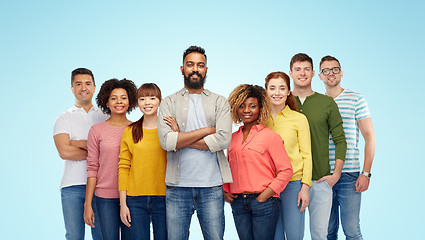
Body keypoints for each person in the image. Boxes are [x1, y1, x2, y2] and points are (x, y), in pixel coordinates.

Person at [157, 46, 233, 240]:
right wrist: (208, 131)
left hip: (212, 187)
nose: (195, 69)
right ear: (182, 69)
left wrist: (180, 137)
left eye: (200, 65)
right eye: (190, 65)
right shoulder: (168, 103)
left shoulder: (220, 102)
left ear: (206, 69)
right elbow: (167, 142)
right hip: (177, 188)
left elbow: (223, 139)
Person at [289, 53, 347, 240]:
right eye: (298, 69)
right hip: (291, 181)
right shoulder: (282, 101)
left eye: (306, 69)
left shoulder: (327, 103)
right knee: (293, 236)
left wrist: (336, 174)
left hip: (320, 180)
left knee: (320, 235)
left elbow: (340, 140)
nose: (302, 73)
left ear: (314, 73)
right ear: (291, 73)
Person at [224, 84, 293, 240]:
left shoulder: (270, 137)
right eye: (242, 106)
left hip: (264, 202)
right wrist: (225, 191)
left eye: (252, 106)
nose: (247, 110)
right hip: (238, 203)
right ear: (236, 108)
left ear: (261, 108)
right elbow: (228, 167)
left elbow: (286, 170)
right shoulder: (231, 138)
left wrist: (265, 195)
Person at [318, 56, 376, 240]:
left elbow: (369, 137)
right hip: (323, 175)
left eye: (335, 69)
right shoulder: (317, 102)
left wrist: (366, 173)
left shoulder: (356, 99)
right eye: (326, 70)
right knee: (327, 231)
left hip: (350, 174)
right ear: (320, 76)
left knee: (351, 231)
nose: (331, 73)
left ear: (341, 73)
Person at [53, 68, 106, 240]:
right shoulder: (63, 118)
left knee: (103, 235)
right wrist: (95, 148)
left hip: (101, 186)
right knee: (74, 236)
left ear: (94, 87)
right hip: (72, 186)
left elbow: (112, 152)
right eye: (78, 84)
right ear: (72, 88)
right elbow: (64, 151)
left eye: (87, 83)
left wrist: (78, 143)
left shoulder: (105, 116)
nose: (83, 87)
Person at [84, 78, 137, 240]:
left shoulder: (137, 129)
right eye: (113, 98)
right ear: (106, 102)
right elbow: (92, 167)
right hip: (104, 198)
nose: (119, 101)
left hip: (132, 197)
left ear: (130, 102)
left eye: (123, 97)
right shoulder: (96, 130)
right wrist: (88, 203)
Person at [264, 72, 313, 240]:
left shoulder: (299, 119)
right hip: (268, 186)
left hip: (293, 185)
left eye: (282, 88)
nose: (277, 93)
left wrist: (305, 188)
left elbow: (307, 155)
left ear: (288, 91)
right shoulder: (259, 120)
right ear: (266, 91)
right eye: (272, 88)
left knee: (294, 235)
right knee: (274, 237)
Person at [118, 83, 167, 240]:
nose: (147, 103)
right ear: (137, 102)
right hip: (135, 199)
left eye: (152, 98)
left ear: (160, 101)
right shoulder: (130, 131)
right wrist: (123, 204)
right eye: (143, 99)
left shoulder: (168, 130)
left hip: (164, 197)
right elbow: (124, 168)